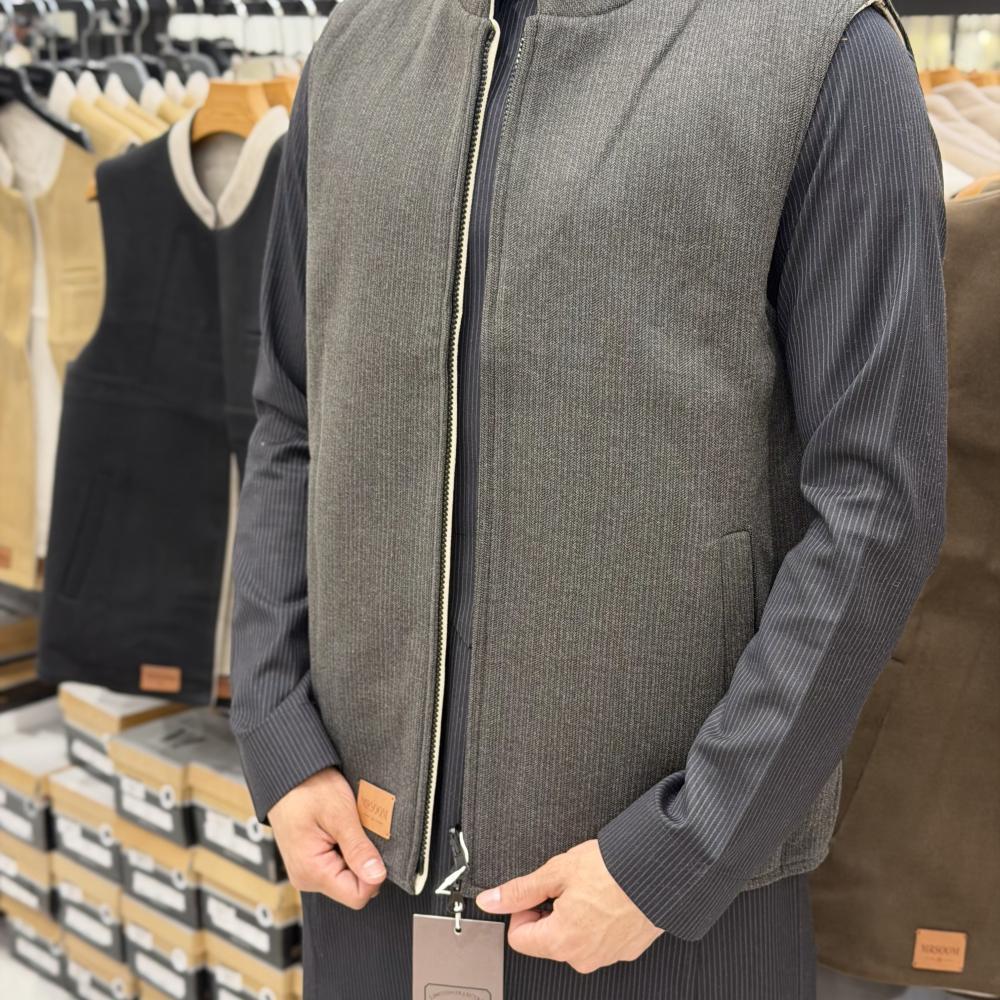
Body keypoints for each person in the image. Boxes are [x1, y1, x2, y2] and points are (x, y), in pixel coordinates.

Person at [229, 0, 948, 996]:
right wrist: (276, 726)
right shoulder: (359, 47)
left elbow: (877, 505)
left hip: (656, 912)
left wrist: (684, 848)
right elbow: (292, 412)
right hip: (366, 876)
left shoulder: (822, 53)